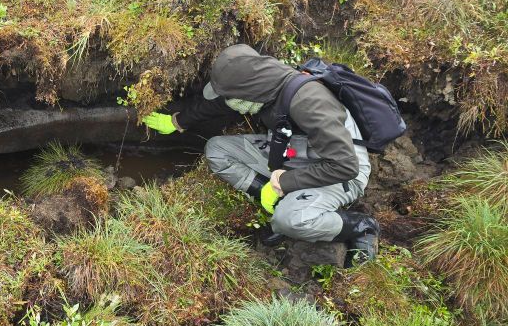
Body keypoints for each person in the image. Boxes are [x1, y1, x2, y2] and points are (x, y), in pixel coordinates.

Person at [142, 44, 380, 264]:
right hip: (293, 152)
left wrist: (284, 182)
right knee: (217, 150)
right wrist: (178, 122)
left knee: (290, 220)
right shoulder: (263, 84)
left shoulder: (310, 102)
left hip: (339, 170)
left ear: (247, 94)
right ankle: (280, 202)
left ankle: (360, 227)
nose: (226, 100)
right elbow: (218, 104)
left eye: (229, 96)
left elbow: (345, 166)